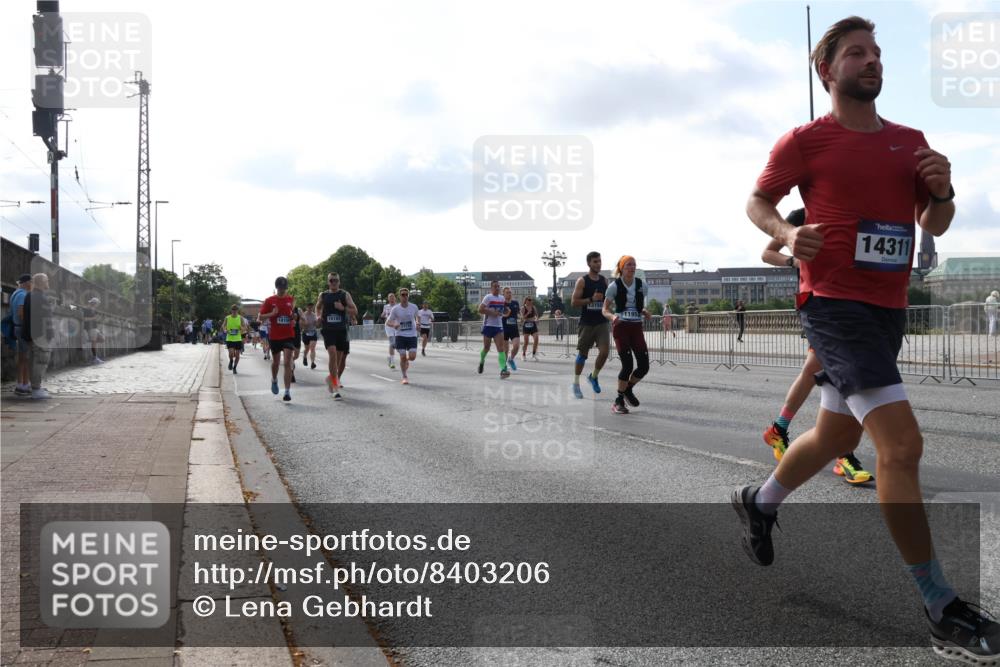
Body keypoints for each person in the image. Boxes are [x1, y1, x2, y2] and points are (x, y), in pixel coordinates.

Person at [731, 16, 999, 663]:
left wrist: (943, 189)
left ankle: (759, 502)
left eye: (877, 53)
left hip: (886, 310)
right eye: (857, 53)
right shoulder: (807, 141)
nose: (872, 61)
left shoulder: (910, 142)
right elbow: (758, 202)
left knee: (835, 437)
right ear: (827, 71)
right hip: (832, 306)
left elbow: (933, 219)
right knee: (901, 445)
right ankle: (941, 605)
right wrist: (790, 236)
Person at [761, 208, 873, 484]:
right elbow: (767, 253)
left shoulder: (852, 215)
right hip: (818, 304)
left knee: (815, 368)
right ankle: (844, 454)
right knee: (838, 370)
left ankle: (780, 428)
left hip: (851, 303)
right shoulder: (801, 215)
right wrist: (793, 263)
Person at [602, 256, 652, 414]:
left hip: (636, 327)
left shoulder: (641, 285)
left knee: (644, 366)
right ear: (622, 268)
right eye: (629, 265)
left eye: (634, 265)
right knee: (628, 365)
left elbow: (637, 306)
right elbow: (604, 309)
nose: (632, 267)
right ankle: (618, 401)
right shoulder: (614, 286)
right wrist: (613, 317)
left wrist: (644, 311)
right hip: (621, 327)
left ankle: (628, 389)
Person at [570, 251, 610, 398]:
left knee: (605, 352)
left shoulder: (604, 281)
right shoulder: (582, 281)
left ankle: (593, 376)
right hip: (586, 323)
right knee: (582, 355)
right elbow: (573, 302)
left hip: (601, 322)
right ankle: (575, 383)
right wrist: (591, 299)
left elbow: (608, 301)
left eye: (599, 261)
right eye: (595, 262)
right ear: (589, 263)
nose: (598, 264)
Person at [317, 272, 358, 399]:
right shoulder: (323, 295)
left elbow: (355, 311)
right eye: (331, 280)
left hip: (341, 330)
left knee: (339, 360)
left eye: (335, 280)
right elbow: (318, 307)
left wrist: (343, 308)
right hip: (328, 329)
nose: (333, 283)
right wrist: (318, 316)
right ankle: (335, 387)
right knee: (333, 354)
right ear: (328, 282)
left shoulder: (344, 295)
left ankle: (332, 379)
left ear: (339, 282)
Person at [259, 277, 297, 401]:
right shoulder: (269, 301)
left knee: (287, 363)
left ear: (286, 288)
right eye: (280, 288)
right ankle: (274, 380)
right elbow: (260, 317)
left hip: (288, 335)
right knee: (275, 363)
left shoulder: (291, 299)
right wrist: (272, 314)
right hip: (275, 336)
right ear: (277, 287)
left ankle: (287, 392)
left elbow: (294, 317)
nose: (282, 290)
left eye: (284, 288)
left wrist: (293, 317)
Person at [22, 272, 53, 400]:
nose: (48, 283)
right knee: (41, 361)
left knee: (32, 361)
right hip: (40, 334)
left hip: (30, 334)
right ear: (40, 282)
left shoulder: (29, 296)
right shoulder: (41, 298)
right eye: (46, 281)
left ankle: (35, 386)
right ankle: (36, 388)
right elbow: (45, 318)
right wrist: (50, 333)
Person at [478, 280, 511, 379]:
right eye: (495, 286)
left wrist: (506, 311)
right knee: (486, 348)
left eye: (498, 286)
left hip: (498, 326)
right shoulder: (488, 297)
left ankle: (503, 370)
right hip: (488, 325)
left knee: (501, 349)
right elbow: (480, 309)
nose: (497, 288)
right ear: (491, 288)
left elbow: (502, 308)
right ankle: (482, 361)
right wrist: (491, 312)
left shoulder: (502, 298)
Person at [387, 287, 420, 384]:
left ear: (408, 296)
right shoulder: (395, 309)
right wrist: (394, 325)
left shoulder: (414, 307)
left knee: (413, 357)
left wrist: (418, 323)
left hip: (412, 335)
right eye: (403, 295)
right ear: (399, 297)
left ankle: (407, 360)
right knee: (402, 356)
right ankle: (404, 376)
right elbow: (388, 322)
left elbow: (418, 317)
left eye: (406, 295)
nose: (405, 296)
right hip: (400, 335)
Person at [10, 274, 32, 396]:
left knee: (22, 357)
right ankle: (23, 384)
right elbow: (21, 313)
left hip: (17, 328)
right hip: (22, 328)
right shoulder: (22, 295)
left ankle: (22, 383)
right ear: (27, 282)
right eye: (31, 282)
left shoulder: (15, 293)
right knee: (26, 358)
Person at [224, 304, 247, 374]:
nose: (234, 311)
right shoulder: (227, 318)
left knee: (237, 355)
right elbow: (223, 326)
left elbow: (245, 327)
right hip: (230, 338)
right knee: (231, 353)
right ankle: (231, 361)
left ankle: (234, 367)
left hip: (238, 339)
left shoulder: (240, 318)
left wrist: (241, 328)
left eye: (235, 310)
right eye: (233, 310)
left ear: (237, 311)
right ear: (231, 310)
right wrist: (225, 330)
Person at [502, 287, 520, 372]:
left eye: (510, 292)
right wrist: (507, 314)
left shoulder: (515, 303)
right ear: (504, 294)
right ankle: (504, 365)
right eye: (507, 292)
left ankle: (511, 359)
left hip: (514, 328)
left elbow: (519, 313)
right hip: (504, 328)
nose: (509, 294)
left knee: (516, 346)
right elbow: (499, 315)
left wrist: (522, 317)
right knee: (506, 350)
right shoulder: (502, 304)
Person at [82, 297, 104, 363]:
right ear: (93, 303)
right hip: (90, 328)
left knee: (102, 339)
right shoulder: (86, 309)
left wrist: (98, 318)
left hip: (95, 328)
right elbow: (84, 319)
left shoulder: (94, 310)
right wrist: (93, 318)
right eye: (97, 304)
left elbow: (98, 317)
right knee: (94, 342)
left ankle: (90, 341)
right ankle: (95, 358)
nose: (97, 305)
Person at [381, 292, 398, 369]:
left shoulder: (398, 306)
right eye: (390, 297)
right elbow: (383, 314)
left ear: (395, 298)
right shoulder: (386, 306)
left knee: (397, 344)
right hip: (388, 326)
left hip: (397, 326)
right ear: (388, 299)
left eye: (392, 297)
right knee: (392, 343)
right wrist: (382, 315)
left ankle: (390, 358)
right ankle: (392, 361)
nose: (391, 298)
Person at [301, 303, 319, 368]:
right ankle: (305, 357)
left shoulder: (314, 315)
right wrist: (305, 324)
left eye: (311, 307)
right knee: (307, 348)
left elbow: (317, 325)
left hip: (313, 332)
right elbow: (301, 324)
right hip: (305, 332)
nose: (310, 309)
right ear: (306, 307)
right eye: (309, 307)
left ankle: (312, 363)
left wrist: (317, 322)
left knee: (312, 348)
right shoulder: (303, 315)